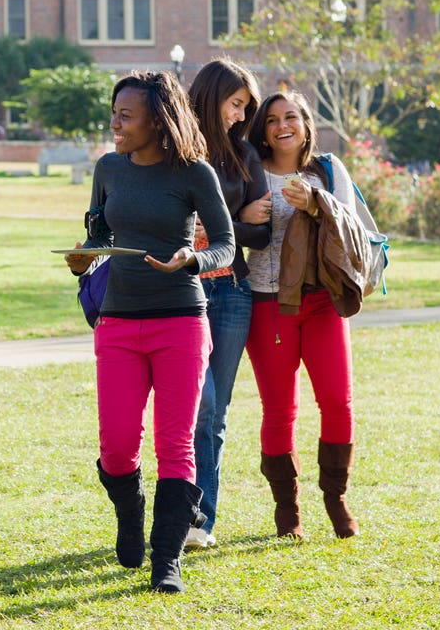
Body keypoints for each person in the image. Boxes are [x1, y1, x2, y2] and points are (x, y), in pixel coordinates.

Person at [64, 70, 234, 594]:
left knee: (176, 443)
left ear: (158, 121)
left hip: (180, 320)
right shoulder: (108, 169)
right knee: (117, 447)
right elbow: (98, 234)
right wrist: (80, 258)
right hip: (118, 321)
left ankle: (167, 561)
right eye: (113, 113)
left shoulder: (194, 173)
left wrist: (191, 259)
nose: (114, 124)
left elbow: (226, 246)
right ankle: (130, 514)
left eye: (125, 116)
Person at [244, 90, 361, 540]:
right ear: (264, 130)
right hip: (267, 303)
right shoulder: (248, 171)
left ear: (306, 124)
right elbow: (221, 225)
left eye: (290, 116)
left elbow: (351, 230)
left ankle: (336, 497)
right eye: (271, 119)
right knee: (279, 409)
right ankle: (287, 510)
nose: (281, 125)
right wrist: (245, 212)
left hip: (320, 300)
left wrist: (316, 203)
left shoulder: (328, 170)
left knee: (337, 401)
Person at [183, 59, 271, 550]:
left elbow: (262, 229)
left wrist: (227, 226)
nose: (241, 116)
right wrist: (235, 219)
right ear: (212, 95)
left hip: (233, 291)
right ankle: (183, 511)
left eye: (246, 107)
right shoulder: (175, 147)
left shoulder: (243, 156)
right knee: (199, 407)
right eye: (236, 104)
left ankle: (200, 521)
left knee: (215, 416)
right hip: (184, 291)